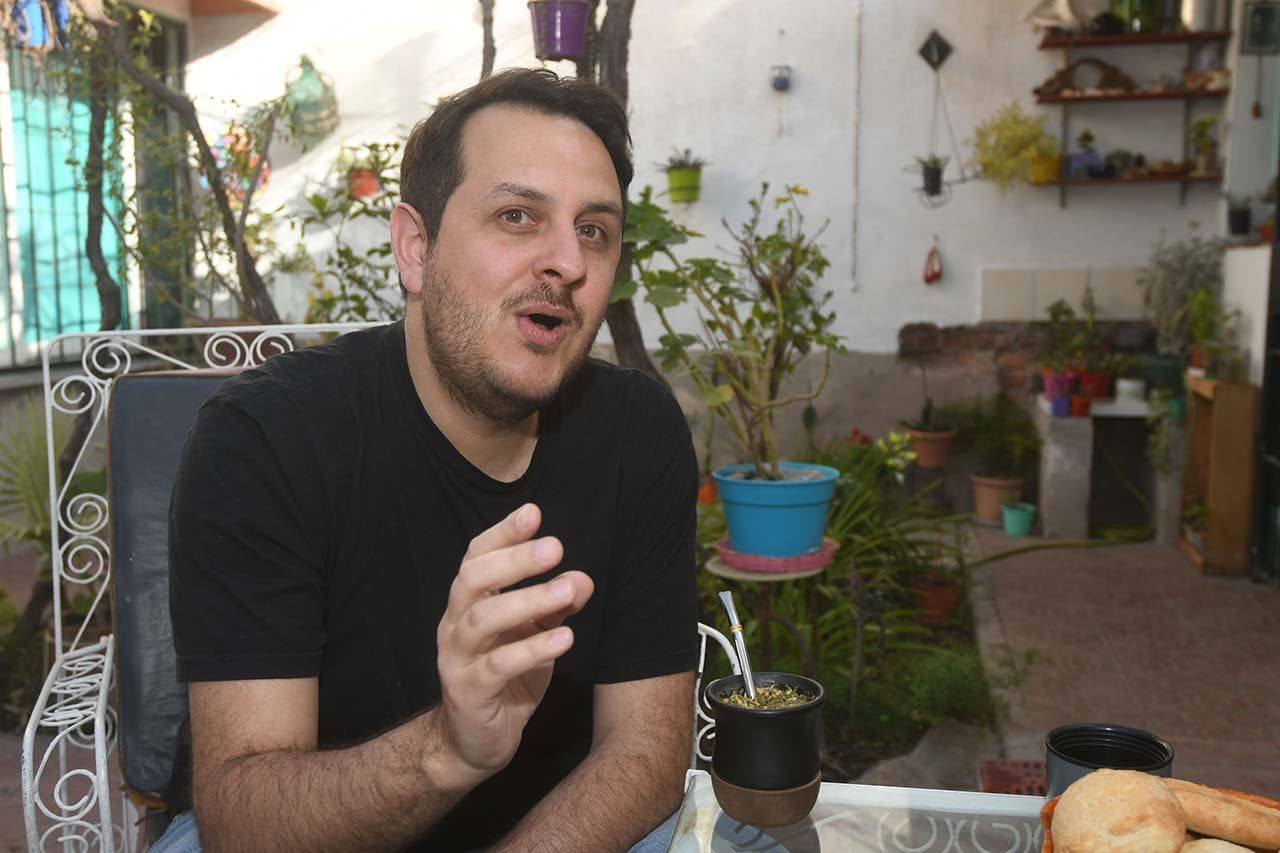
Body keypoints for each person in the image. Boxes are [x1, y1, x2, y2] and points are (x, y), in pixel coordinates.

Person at [158, 68, 698, 852]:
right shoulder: (267, 439)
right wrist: (449, 747)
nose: (567, 263)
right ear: (415, 248)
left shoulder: (639, 433)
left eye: (594, 230)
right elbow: (239, 816)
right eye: (518, 216)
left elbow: (645, 752)